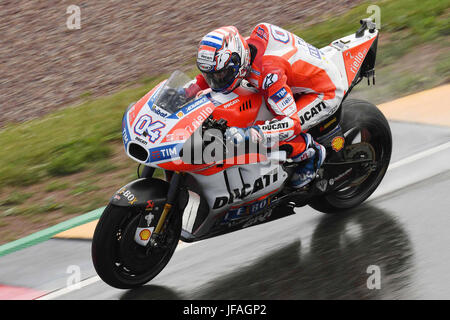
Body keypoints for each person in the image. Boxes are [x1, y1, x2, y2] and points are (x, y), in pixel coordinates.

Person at [185, 24, 346, 188]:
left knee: (262, 136)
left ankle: (312, 152)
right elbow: (214, 72)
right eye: (211, 75)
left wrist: (250, 134)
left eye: (220, 75)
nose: (215, 80)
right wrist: (186, 91)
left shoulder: (268, 74)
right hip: (296, 79)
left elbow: (292, 123)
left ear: (236, 63)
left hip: (324, 91)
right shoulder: (242, 51)